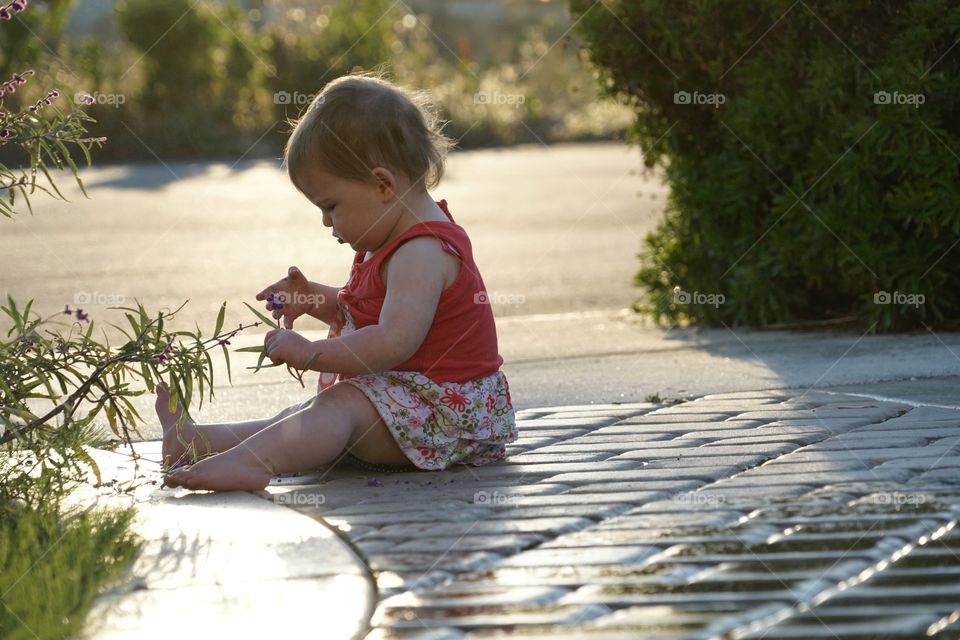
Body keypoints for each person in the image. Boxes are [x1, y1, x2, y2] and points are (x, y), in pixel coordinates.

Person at [158, 72, 517, 491]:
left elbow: (392, 340)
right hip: (410, 404)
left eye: (331, 206)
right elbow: (365, 310)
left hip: (450, 418)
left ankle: (256, 463)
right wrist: (314, 299)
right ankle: (195, 443)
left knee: (338, 407)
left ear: (383, 185)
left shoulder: (422, 252)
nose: (327, 221)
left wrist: (312, 353)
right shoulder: (388, 240)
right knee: (304, 417)